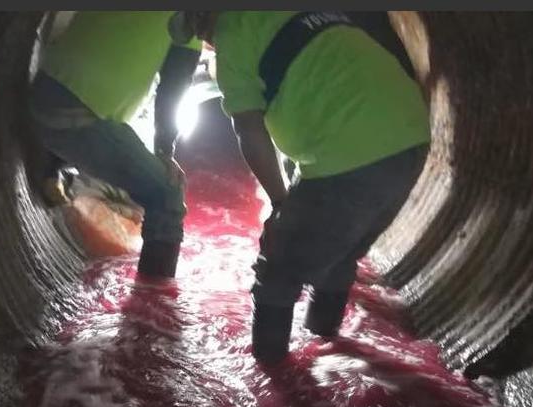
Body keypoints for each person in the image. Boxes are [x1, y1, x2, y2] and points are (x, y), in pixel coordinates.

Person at [170, 11, 431, 363]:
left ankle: (272, 378)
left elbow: (250, 132)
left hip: (350, 149)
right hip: (412, 136)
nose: (207, 42)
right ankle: (333, 352)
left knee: (277, 269)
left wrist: (280, 202)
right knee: (341, 250)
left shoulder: (232, 32)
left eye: (201, 30)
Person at [27, 11, 201, 279]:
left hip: (42, 94)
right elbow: (172, 89)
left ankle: (52, 169)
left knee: (114, 134)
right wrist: (165, 152)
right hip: (77, 116)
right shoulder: (190, 18)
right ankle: (154, 304)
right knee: (167, 192)